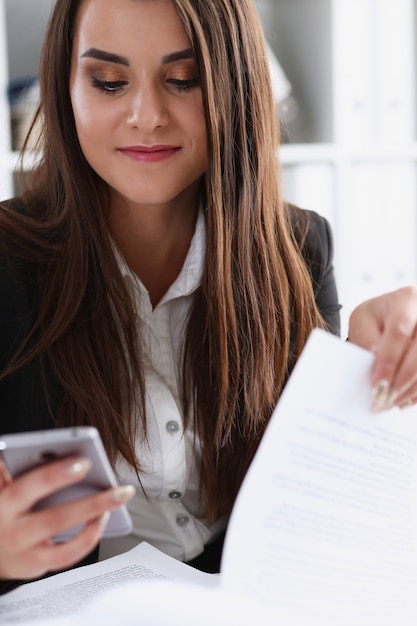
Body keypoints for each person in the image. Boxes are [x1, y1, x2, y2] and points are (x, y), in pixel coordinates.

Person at [0, 0, 416, 594]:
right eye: (109, 82)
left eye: (183, 79)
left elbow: (319, 505)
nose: (146, 116)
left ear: (236, 84)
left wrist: (373, 381)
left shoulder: (299, 248)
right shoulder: (6, 264)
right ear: (65, 89)